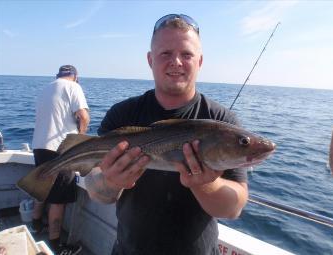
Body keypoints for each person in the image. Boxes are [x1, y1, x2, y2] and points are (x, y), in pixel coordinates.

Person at [85, 14, 248, 255]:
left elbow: (233, 208)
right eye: (165, 54)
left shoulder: (223, 123)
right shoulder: (122, 114)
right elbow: (94, 190)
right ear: (150, 60)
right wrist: (110, 181)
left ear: (200, 61)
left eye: (187, 54)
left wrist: (207, 185)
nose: (177, 62)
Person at [31, 65, 90, 255]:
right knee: (58, 199)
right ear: (76, 76)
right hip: (61, 150)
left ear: (57, 75)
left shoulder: (45, 89)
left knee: (41, 188)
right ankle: (55, 245)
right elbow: (83, 116)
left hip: (39, 146)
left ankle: (36, 224)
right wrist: (80, 140)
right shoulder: (74, 87)